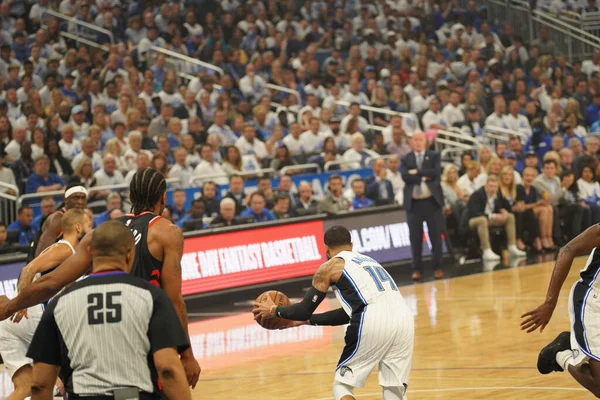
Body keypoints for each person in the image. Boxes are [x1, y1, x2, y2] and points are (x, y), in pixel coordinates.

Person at [0, 168, 201, 388]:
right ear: (163, 197)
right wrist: (187, 354)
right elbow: (174, 301)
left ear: (131, 197)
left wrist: (11, 306)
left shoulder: (101, 232)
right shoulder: (167, 233)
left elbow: (51, 282)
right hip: (142, 339)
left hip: (97, 338)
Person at [27, 220, 191, 399]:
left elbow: (40, 384)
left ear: (90, 252)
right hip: (134, 395)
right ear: (130, 254)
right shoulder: (152, 297)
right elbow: (168, 369)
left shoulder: (59, 304)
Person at [253, 225, 414, 400]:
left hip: (372, 317)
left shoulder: (329, 267)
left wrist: (274, 310)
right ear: (351, 244)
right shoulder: (370, 262)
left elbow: (303, 310)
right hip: (405, 318)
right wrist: (306, 321)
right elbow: (349, 313)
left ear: (326, 249)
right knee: (394, 388)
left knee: (342, 385)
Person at [0, 209, 90, 400]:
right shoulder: (66, 248)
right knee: (64, 373)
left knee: (25, 387)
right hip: (31, 315)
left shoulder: (73, 253)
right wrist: (21, 302)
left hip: (9, 326)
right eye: (90, 226)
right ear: (78, 227)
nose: (92, 230)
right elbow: (28, 269)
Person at [520, 223, 600, 398]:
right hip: (591, 300)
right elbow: (567, 250)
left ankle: (567, 344)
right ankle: (561, 354)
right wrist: (550, 303)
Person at [400, 131, 445, 281]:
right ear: (411, 142)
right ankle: (417, 269)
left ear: (425, 141)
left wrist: (417, 172)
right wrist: (425, 175)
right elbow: (405, 176)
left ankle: (438, 267)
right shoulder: (406, 158)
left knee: (435, 237)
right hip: (414, 204)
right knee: (415, 237)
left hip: (432, 202)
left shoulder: (434, 156)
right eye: (415, 140)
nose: (418, 142)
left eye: (420, 139)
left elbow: (436, 172)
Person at [464, 175, 527, 261]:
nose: (493, 189)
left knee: (510, 217)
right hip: (473, 220)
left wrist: (505, 212)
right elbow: (474, 212)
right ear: (486, 186)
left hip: (489, 219)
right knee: (483, 220)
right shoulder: (477, 195)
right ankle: (486, 250)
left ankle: (512, 247)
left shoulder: (498, 194)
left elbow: (507, 207)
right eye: (491, 186)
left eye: (495, 186)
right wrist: (492, 216)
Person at [32, 184, 88, 259]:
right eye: (76, 198)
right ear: (66, 199)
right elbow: (41, 255)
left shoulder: (85, 218)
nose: (80, 202)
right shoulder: (57, 219)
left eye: (83, 198)